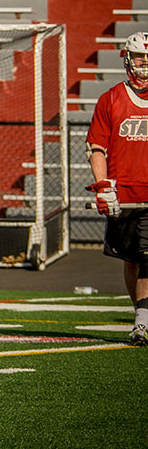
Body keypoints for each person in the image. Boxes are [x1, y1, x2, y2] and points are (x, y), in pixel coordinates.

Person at [85, 31, 148, 346]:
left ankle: (143, 319)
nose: (145, 63)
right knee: (132, 258)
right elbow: (97, 147)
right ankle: (141, 314)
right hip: (125, 194)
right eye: (140, 56)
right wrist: (102, 186)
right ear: (128, 58)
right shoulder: (111, 98)